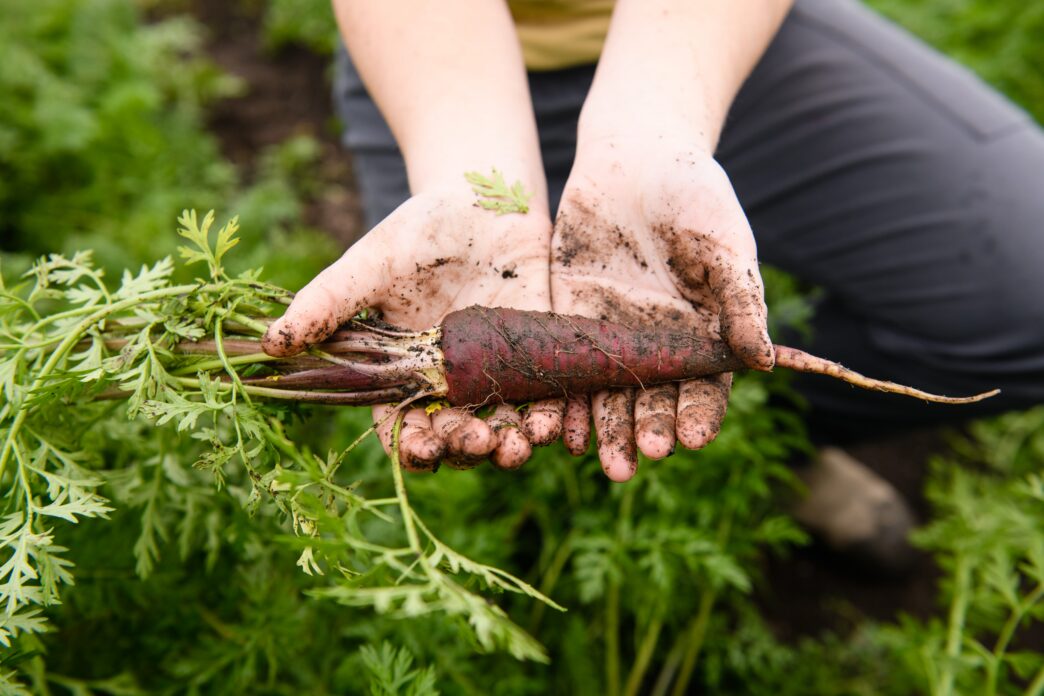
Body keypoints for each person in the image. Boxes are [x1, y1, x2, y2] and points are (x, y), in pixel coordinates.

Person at [261, 0, 1044, 567]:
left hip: (711, 33)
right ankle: (704, 462)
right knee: (484, 441)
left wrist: (651, 133)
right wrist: (472, 173)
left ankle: (777, 451)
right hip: (437, 61)